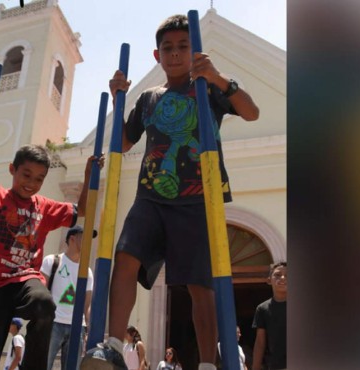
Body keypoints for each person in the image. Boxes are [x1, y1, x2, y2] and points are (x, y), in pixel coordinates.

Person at [81, 14, 259, 370]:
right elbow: (125, 140)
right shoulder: (149, 98)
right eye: (168, 48)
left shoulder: (208, 89)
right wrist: (119, 99)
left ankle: (208, 362)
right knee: (126, 257)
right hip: (151, 195)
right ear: (156, 55)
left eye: (183, 46)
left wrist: (217, 76)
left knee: (199, 285)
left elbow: (251, 112)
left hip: (197, 198)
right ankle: (113, 345)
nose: (175, 53)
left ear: (195, 51)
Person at [0, 115, 104, 370]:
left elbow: (82, 209)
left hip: (24, 279)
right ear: (12, 170)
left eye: (39, 179)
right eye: (26, 175)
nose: (31, 183)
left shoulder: (45, 207)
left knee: (44, 304)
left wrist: (88, 175)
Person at [41, 225, 97, 370]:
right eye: (84, 237)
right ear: (72, 239)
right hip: (53, 323)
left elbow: (87, 304)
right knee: (43, 365)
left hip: (77, 328)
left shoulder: (88, 272)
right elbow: (41, 292)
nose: (88, 243)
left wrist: (89, 328)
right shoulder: (51, 261)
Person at [251, 262, 287, 370]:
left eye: (288, 275)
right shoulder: (262, 309)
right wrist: (255, 367)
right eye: (277, 274)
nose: (282, 278)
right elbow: (260, 342)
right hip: (276, 366)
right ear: (269, 280)